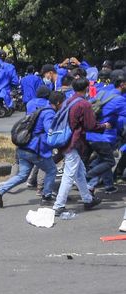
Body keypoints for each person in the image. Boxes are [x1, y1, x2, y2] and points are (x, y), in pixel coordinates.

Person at [0, 92, 66, 208]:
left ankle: (0, 190)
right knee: (52, 170)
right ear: (57, 103)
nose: (64, 105)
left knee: (22, 175)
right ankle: (46, 196)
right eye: (63, 103)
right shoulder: (49, 113)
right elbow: (50, 131)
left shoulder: (42, 109)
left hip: (24, 147)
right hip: (35, 149)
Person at [52, 78, 108, 216]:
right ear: (87, 88)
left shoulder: (69, 101)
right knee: (69, 175)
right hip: (75, 142)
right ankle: (58, 206)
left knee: (79, 172)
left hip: (65, 140)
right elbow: (91, 126)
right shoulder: (84, 104)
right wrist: (104, 126)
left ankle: (88, 199)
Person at [86, 73, 126, 195]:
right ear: (123, 84)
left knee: (103, 159)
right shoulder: (119, 100)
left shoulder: (102, 92)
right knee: (106, 161)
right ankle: (87, 181)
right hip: (104, 136)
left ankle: (108, 186)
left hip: (91, 132)